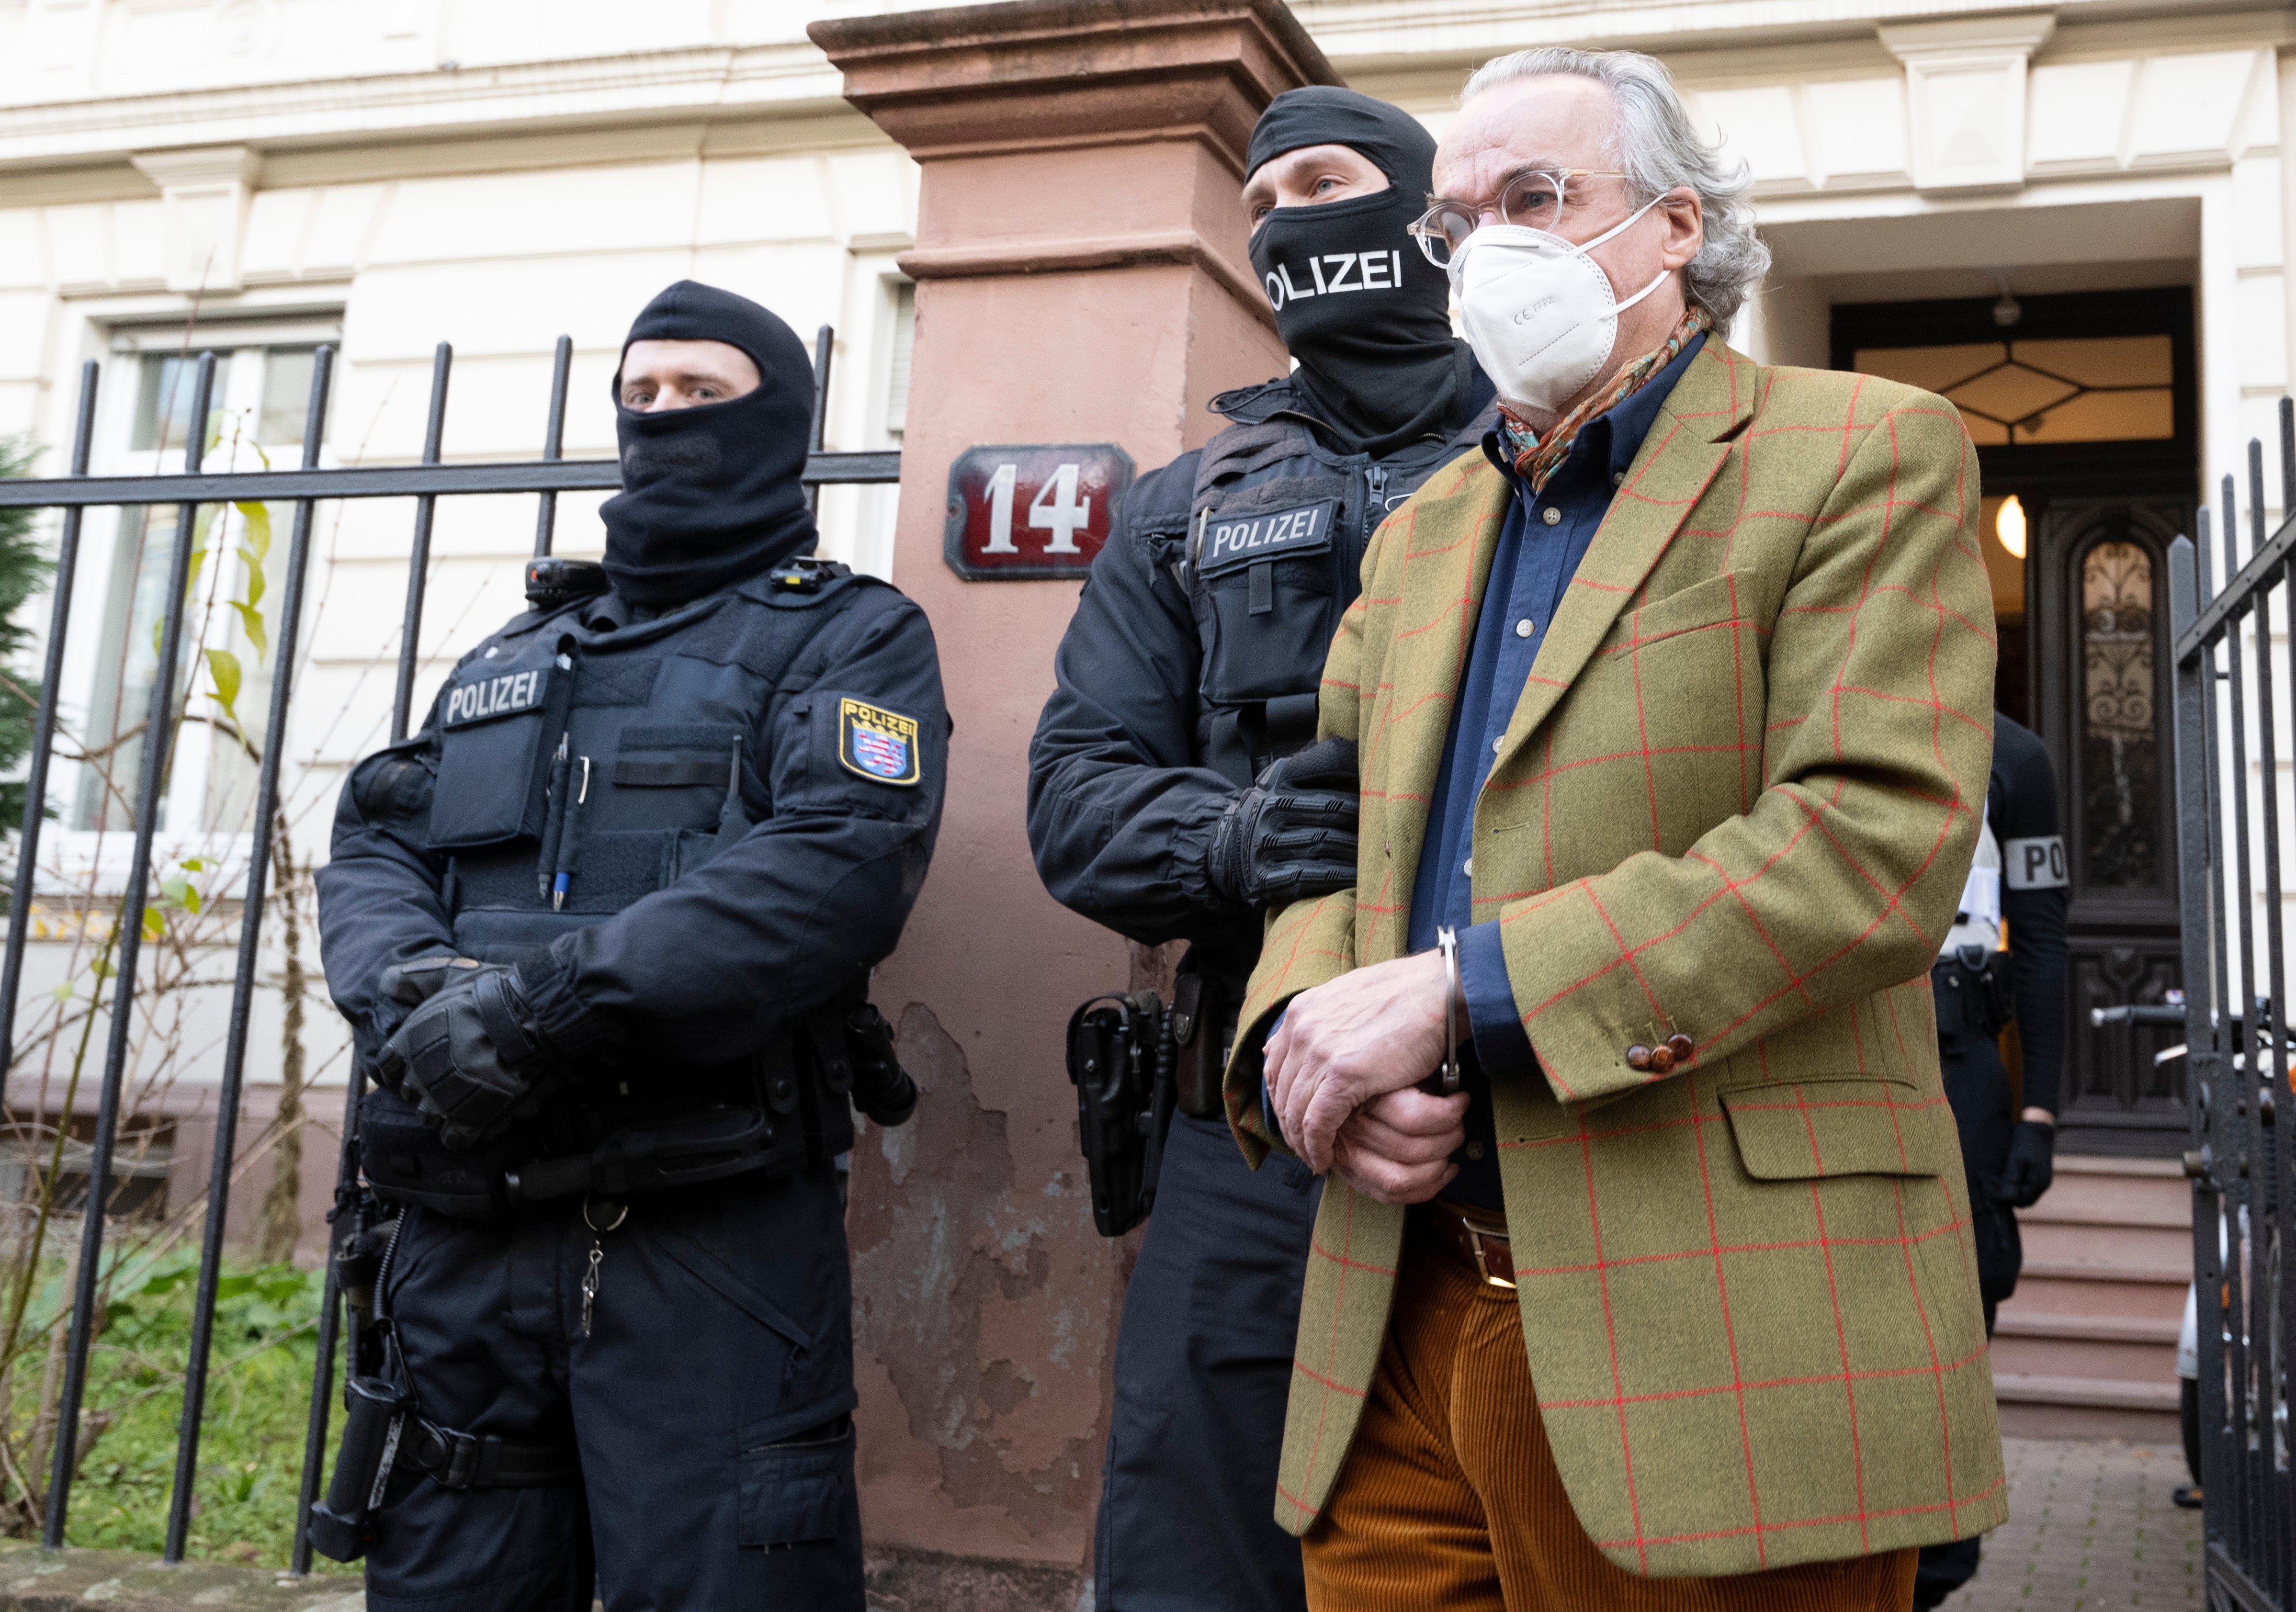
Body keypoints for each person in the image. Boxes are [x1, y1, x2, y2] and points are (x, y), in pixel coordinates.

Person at [1223, 47, 2006, 1610]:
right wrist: (1298, 1044)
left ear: (1670, 226)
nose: (1484, 249)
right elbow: (1326, 830)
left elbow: (1872, 842)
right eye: (1456, 223)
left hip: (1710, 1318)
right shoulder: (1427, 521)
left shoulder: (1860, 446)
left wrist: (1465, 988)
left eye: (1533, 196)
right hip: (1401, 1299)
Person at [313, 280, 948, 1612]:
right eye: (641, 395)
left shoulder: (847, 634)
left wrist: (537, 1014)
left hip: (701, 1238)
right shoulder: (515, 650)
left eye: (702, 394)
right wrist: (406, 997)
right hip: (462, 1233)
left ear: (777, 418)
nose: (662, 419)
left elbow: (831, 869)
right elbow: (378, 838)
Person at [1028, 88, 1496, 1612]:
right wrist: (1229, 838)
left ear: (1425, 213)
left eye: (1326, 180)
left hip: (1528, 1099)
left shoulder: (1566, 443)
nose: (1290, 219)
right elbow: (1074, 792)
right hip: (1251, 1127)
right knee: (1194, 1552)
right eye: (1264, 202)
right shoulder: (1178, 508)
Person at [1914, 710, 2067, 1609]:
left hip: (1963, 1062)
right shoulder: (1829, 715)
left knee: (1963, 1294)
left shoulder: (2017, 759)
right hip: (1839, 1059)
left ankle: (1936, 1567)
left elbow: (2043, 940)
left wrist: (2040, 1111)